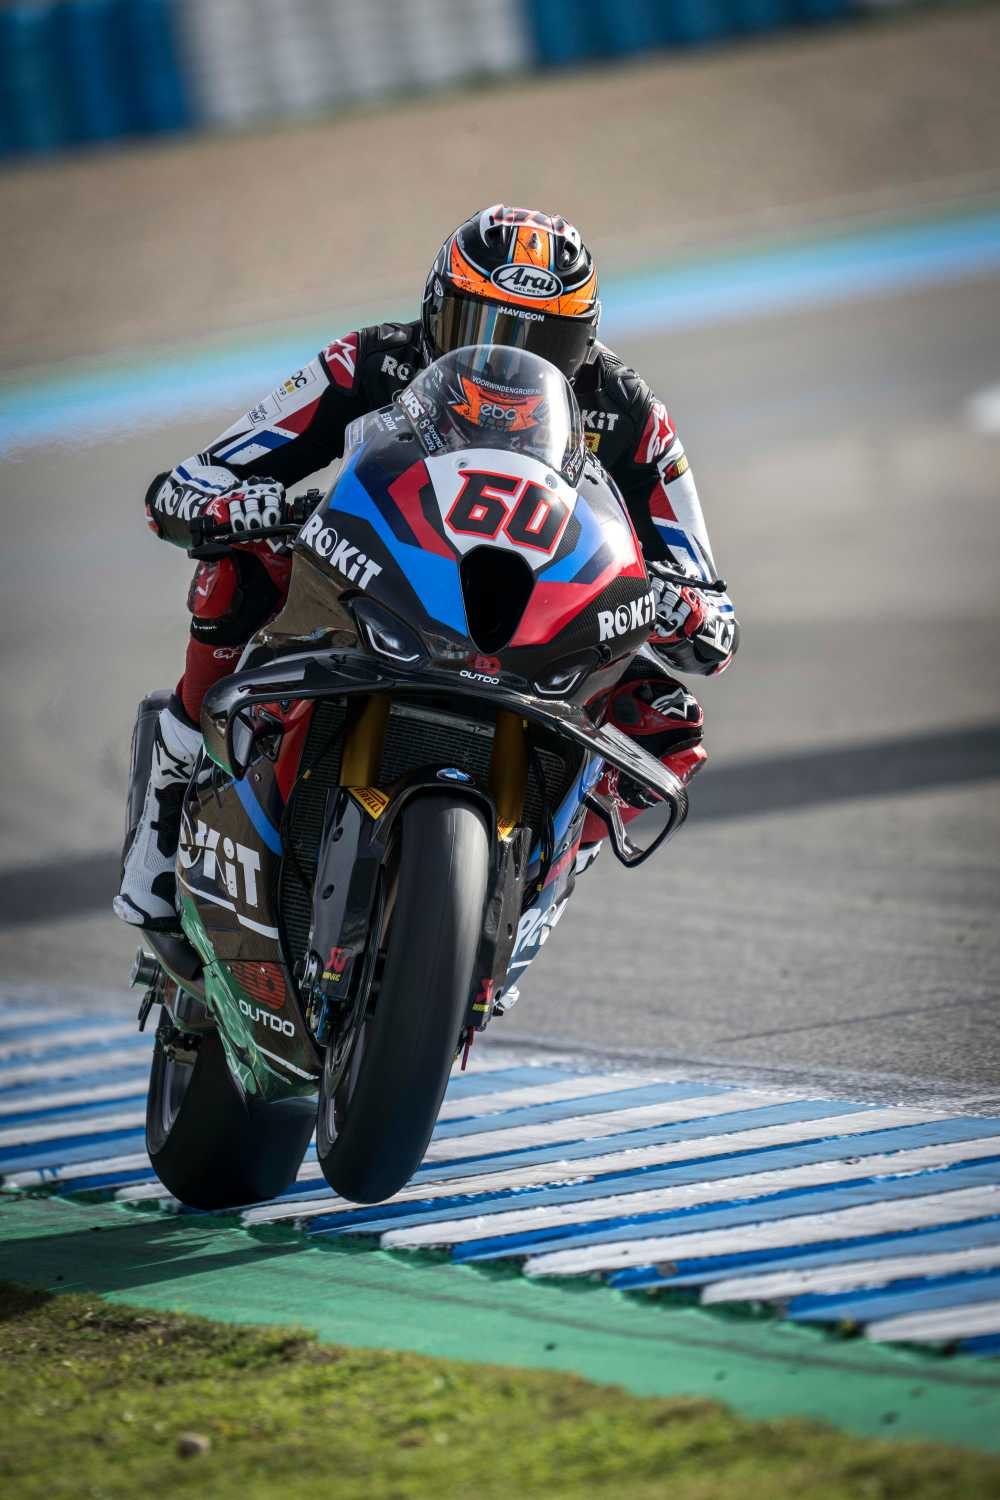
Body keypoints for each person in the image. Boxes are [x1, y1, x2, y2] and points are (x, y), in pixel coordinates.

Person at [115, 205, 739, 929]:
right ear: (436, 311)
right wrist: (233, 506)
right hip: (378, 585)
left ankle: (540, 891)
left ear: (586, 342)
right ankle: (169, 813)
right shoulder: (367, 360)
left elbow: (713, 613)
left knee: (664, 721)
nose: (506, 364)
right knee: (235, 574)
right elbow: (190, 482)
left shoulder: (630, 413)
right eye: (484, 329)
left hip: (539, 623)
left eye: (546, 340)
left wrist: (683, 607)